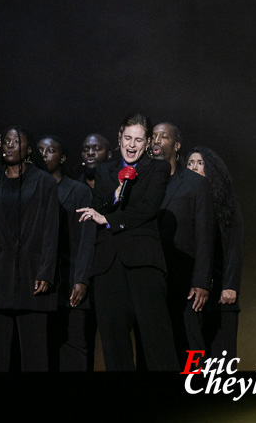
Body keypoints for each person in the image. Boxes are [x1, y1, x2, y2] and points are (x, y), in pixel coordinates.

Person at [76, 113, 179, 371]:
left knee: (157, 342)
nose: (132, 145)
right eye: (128, 138)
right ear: (119, 138)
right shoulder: (105, 170)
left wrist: (110, 220)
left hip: (143, 263)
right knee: (114, 344)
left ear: (146, 143)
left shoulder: (158, 168)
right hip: (108, 266)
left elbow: (148, 208)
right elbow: (98, 204)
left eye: (138, 140)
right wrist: (113, 195)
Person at [0, 126, 59, 372]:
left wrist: (46, 273)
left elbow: (51, 232)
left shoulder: (44, 182)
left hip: (32, 276)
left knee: (34, 356)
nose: (9, 145)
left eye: (15, 141)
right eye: (6, 141)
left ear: (29, 149)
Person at [151, 122, 215, 370]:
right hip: (155, 274)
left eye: (163, 136)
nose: (156, 140)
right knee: (159, 338)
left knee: (190, 339)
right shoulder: (144, 181)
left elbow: (205, 236)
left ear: (177, 145)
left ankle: (195, 383)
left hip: (186, 277)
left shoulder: (196, 184)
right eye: (153, 136)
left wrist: (201, 281)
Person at [37, 134, 95, 372]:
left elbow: (86, 240)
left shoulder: (79, 191)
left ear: (62, 158)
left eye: (50, 151)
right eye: (39, 150)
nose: (43, 155)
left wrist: (81, 279)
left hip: (69, 277)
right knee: (43, 347)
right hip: (39, 282)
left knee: (73, 345)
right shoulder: (32, 189)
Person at [187, 147, 243, 361]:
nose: (193, 166)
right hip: (194, 289)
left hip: (221, 289)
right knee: (195, 352)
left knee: (222, 354)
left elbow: (234, 247)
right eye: (190, 163)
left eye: (199, 163)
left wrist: (230, 285)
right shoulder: (187, 200)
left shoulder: (225, 203)